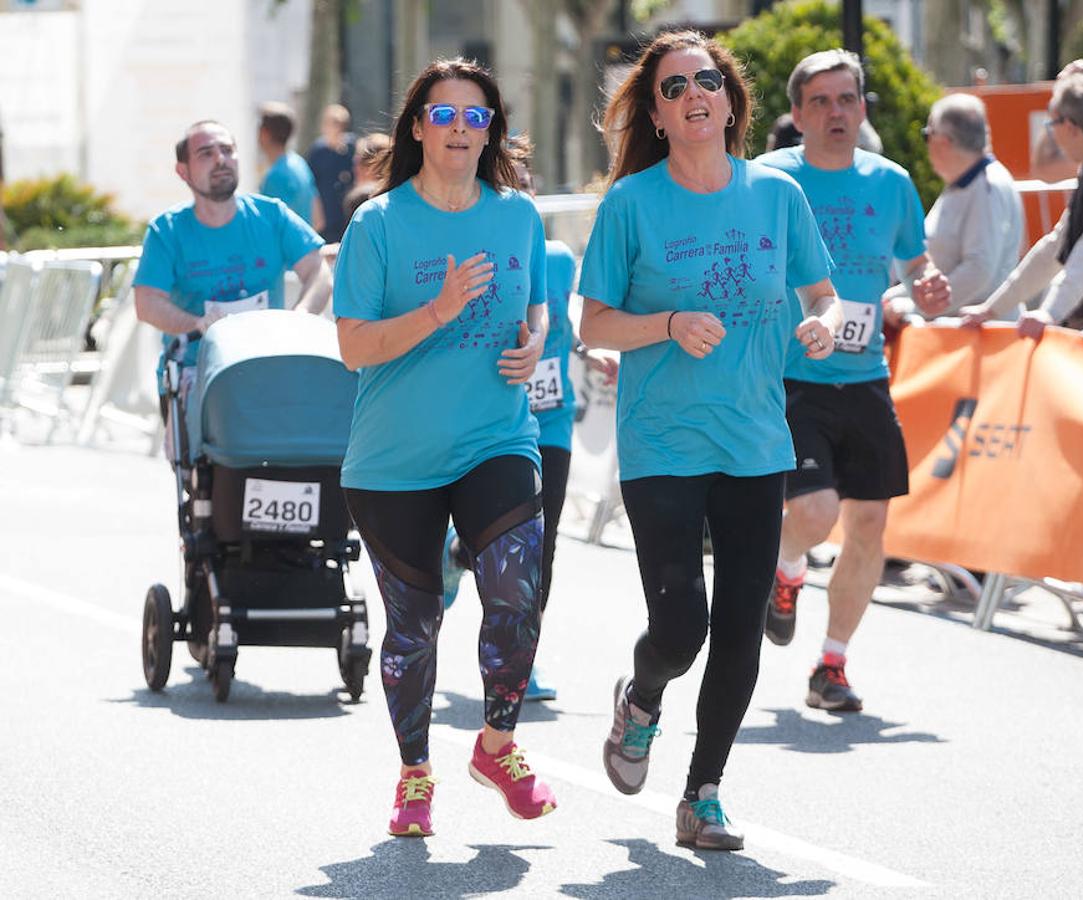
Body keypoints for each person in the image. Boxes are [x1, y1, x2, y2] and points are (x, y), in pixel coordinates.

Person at [579, 30, 841, 851]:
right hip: (661, 442)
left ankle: (703, 794)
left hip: (757, 440)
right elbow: (593, 323)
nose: (692, 93)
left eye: (706, 80)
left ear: (729, 101)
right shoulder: (630, 204)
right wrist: (664, 322)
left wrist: (824, 326)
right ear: (655, 115)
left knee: (736, 626)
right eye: (671, 87)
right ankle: (642, 698)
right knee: (681, 627)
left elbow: (824, 293)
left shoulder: (776, 196)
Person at [332, 58, 557, 839]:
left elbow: (537, 312)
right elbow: (354, 348)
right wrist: (438, 310)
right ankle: (414, 775)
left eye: (476, 117)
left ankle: (497, 744)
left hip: (496, 435)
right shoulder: (379, 223)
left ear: (491, 130)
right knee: (414, 624)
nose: (461, 129)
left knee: (516, 591)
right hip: (394, 457)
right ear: (419, 125)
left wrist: (533, 345)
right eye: (445, 114)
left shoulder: (517, 215)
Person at [755, 49, 950, 713]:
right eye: (820, 101)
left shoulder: (891, 182)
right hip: (790, 374)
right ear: (797, 114)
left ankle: (830, 665)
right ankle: (784, 568)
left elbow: (915, 263)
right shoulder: (769, 179)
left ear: (861, 109)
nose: (835, 112)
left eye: (846, 100)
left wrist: (926, 284)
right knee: (815, 511)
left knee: (868, 525)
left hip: (865, 375)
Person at [442, 163, 619, 704]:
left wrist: (595, 354)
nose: (519, 195)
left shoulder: (559, 258)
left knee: (540, 544)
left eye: (526, 185)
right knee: (490, 537)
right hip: (492, 421)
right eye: (505, 185)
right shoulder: (471, 261)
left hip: (552, 420)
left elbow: (565, 320)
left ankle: (520, 661)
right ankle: (458, 555)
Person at [133, 120, 332, 423]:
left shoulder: (272, 215)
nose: (220, 160)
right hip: (194, 374)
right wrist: (198, 324)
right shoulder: (166, 230)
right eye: (206, 153)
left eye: (227, 150)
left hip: (268, 368)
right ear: (183, 171)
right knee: (208, 468)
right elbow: (147, 303)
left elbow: (318, 271)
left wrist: (300, 317)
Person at [962, 75, 1083, 335]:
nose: (1051, 133)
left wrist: (1050, 313)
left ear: (1069, 126)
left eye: (1051, 124)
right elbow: (1056, 245)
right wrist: (991, 310)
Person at [883, 93, 1023, 318]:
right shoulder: (966, 183)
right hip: (959, 332)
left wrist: (916, 307)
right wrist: (897, 297)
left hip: (978, 336)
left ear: (943, 141)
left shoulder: (987, 187)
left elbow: (978, 270)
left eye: (927, 134)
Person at [258, 102, 324, 231]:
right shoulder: (299, 163)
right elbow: (318, 219)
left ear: (265, 133)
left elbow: (269, 227)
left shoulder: (275, 177)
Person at [305, 103, 356, 243]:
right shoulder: (317, 151)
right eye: (330, 123)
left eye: (339, 124)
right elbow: (311, 185)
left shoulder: (352, 148)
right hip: (326, 211)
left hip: (346, 212)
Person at [343, 131, 391, 226]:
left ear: (372, 165)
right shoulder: (400, 197)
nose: (354, 168)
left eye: (357, 161)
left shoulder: (362, 202)